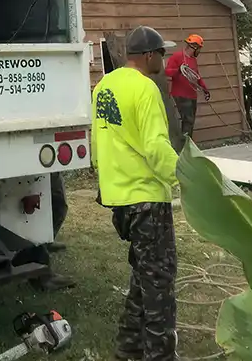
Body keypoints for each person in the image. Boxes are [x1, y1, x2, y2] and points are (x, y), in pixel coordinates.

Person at [92, 25, 179, 361]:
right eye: (161, 53)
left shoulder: (103, 86)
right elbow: (156, 147)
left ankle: (127, 349)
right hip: (147, 201)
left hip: (120, 200)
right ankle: (159, 355)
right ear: (147, 56)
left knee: (144, 277)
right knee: (159, 286)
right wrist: (187, 177)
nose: (163, 58)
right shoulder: (145, 89)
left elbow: (98, 143)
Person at [165, 34, 210, 142]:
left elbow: (196, 76)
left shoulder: (193, 60)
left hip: (191, 94)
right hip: (180, 94)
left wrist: (205, 89)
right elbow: (167, 72)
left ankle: (187, 145)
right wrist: (179, 70)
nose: (199, 51)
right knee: (188, 120)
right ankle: (185, 147)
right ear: (194, 47)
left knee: (190, 122)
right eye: (199, 48)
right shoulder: (177, 56)